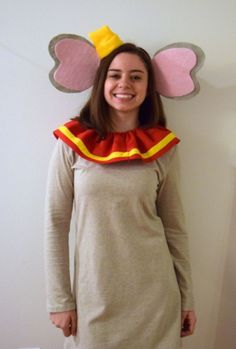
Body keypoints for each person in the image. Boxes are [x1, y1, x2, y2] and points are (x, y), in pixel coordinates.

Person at [45, 28, 197, 349]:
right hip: (92, 298)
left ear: (148, 87)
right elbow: (55, 224)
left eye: (136, 77)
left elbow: (175, 228)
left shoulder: (164, 148)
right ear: (102, 83)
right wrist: (60, 299)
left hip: (157, 300)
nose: (124, 84)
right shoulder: (72, 143)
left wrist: (186, 298)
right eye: (114, 75)